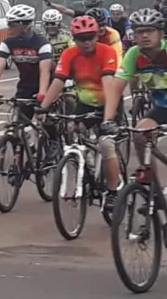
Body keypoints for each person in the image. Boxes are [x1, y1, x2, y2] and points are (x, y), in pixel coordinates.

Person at [37, 15, 121, 210]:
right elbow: (58, 81)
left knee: (106, 144)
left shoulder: (107, 51)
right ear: (74, 39)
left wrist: (108, 117)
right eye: (81, 38)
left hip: (107, 102)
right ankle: (87, 164)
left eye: (90, 37)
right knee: (73, 128)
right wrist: (44, 107)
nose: (87, 42)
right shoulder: (69, 54)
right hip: (84, 103)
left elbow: (108, 84)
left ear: (96, 36)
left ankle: (113, 190)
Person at [104, 8, 167, 186]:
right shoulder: (133, 54)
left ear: (161, 33)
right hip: (163, 107)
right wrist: (108, 119)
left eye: (150, 31)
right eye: (140, 32)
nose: (145, 35)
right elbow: (115, 88)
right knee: (139, 134)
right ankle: (151, 180)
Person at [0, 5, 52, 151]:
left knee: (46, 121)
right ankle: (24, 152)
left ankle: (53, 146)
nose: (8, 27)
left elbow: (45, 71)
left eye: (11, 24)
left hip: (46, 86)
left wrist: (43, 93)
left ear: (23, 26)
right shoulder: (8, 43)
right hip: (25, 86)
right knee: (19, 123)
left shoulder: (41, 43)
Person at [46, 0, 111, 23]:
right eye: (89, 7)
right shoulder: (84, 14)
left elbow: (65, 10)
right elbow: (65, 10)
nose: (92, 10)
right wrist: (51, 4)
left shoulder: (105, 13)